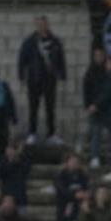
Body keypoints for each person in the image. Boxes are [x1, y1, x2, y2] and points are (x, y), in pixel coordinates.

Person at [18, 16, 67, 145]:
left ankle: (51, 134)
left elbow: (61, 59)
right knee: (33, 107)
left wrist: (62, 74)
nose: (42, 27)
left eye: (44, 24)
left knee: (50, 108)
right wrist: (21, 76)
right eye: (39, 24)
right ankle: (32, 133)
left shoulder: (55, 41)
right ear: (36, 25)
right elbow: (22, 60)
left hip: (50, 79)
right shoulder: (30, 41)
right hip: (34, 79)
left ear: (47, 25)